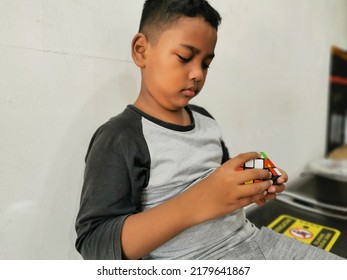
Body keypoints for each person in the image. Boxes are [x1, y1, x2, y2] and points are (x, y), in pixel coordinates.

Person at [75, 0, 343, 260]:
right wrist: (196, 203)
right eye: (184, 57)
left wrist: (250, 186)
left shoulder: (205, 120)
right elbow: (94, 243)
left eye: (205, 63)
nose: (197, 74)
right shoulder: (121, 137)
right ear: (141, 50)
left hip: (253, 240)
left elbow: (221, 187)